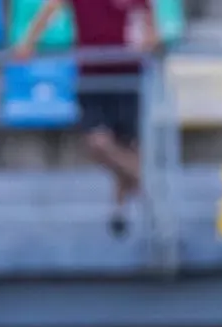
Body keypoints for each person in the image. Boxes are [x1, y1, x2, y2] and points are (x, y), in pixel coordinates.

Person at [12, 0, 158, 236]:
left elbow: (151, 34)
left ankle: (120, 211)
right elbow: (51, 8)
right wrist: (29, 42)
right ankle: (147, 184)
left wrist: (146, 43)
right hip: (93, 79)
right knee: (99, 143)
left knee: (127, 145)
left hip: (128, 79)